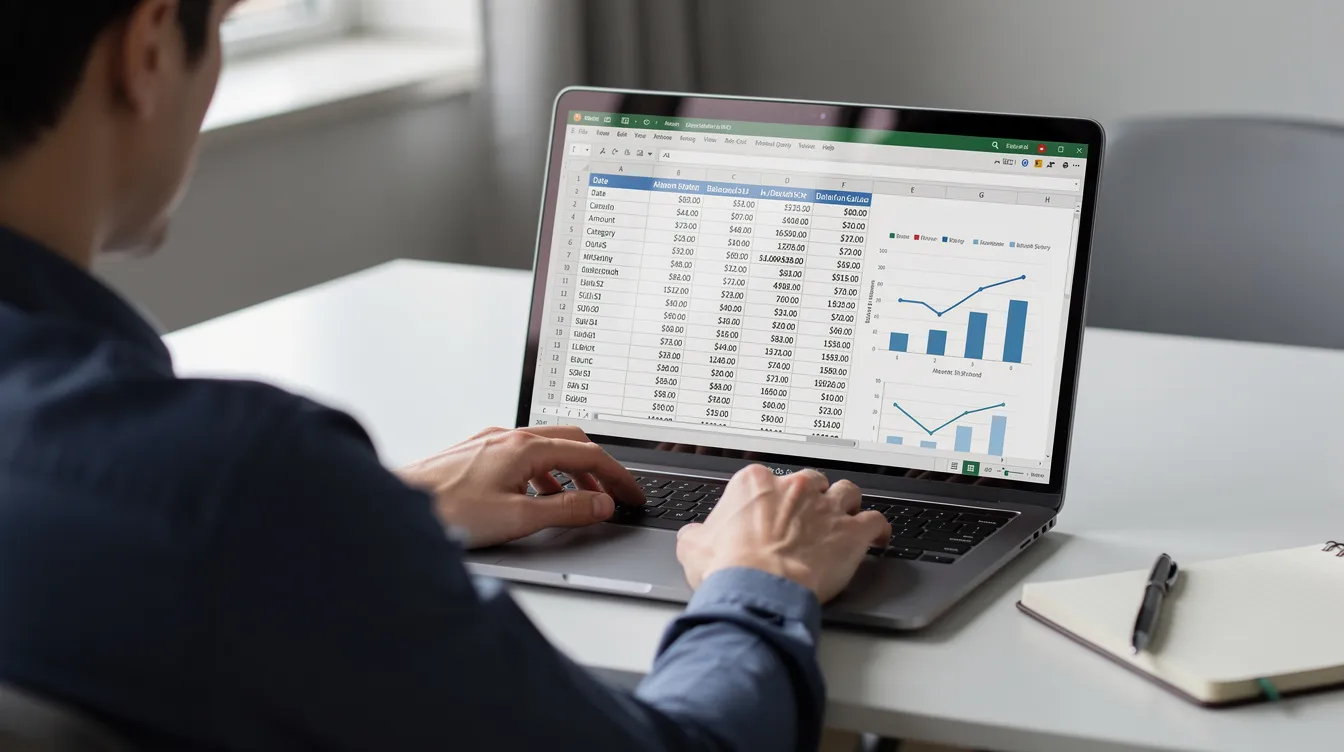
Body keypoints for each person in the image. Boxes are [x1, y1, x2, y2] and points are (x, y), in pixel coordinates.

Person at [0, 1, 892, 749]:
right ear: (150, 48)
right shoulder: (238, 480)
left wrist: (372, 513)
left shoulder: (178, 488)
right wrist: (760, 581)